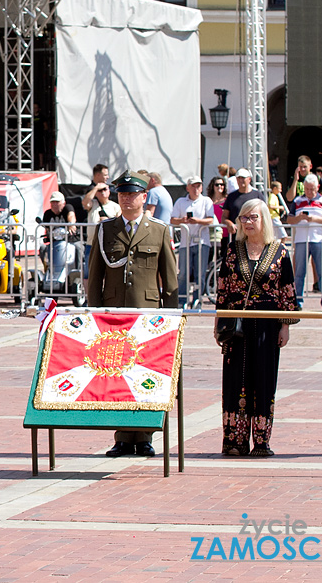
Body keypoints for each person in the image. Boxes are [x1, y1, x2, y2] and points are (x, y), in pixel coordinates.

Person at [86, 170, 178, 457]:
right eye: (122, 194)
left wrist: (172, 318)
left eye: (133, 194)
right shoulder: (106, 230)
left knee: (144, 376)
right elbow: (95, 275)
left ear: (144, 197)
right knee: (117, 375)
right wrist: (95, 313)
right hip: (115, 313)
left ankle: (145, 436)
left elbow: (170, 278)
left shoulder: (159, 230)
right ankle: (122, 437)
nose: (127, 199)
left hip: (147, 314)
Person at [215, 199, 299, 457]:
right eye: (244, 218)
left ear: (264, 219)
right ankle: (234, 440)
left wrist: (285, 326)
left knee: (263, 379)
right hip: (236, 323)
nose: (248, 222)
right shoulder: (232, 249)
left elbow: (287, 291)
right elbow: (223, 287)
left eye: (253, 217)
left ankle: (261, 441)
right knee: (235, 380)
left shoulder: (279, 251)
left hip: (267, 324)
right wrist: (218, 322)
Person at [286, 173, 322, 306]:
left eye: (312, 189)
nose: (309, 192)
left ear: (317, 187)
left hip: (318, 239)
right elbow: (289, 219)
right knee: (299, 272)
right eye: (307, 189)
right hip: (301, 240)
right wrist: (298, 218)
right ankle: (298, 301)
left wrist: (315, 220)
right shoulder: (297, 201)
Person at [170, 176, 216, 308]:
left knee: (200, 273)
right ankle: (182, 299)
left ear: (201, 187)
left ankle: (198, 300)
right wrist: (183, 220)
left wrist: (197, 221)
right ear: (188, 188)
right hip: (186, 242)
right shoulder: (180, 201)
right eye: (193, 186)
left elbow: (210, 220)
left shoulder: (206, 201)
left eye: (198, 186)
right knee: (183, 272)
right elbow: (173, 219)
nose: (196, 189)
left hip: (202, 241)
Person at [221, 168, 264, 239]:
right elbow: (224, 217)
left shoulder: (257, 195)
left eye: (243, 178)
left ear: (249, 179)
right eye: (238, 178)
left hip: (254, 235)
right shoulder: (231, 196)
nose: (241, 181)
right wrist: (229, 223)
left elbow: (264, 215)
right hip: (236, 236)